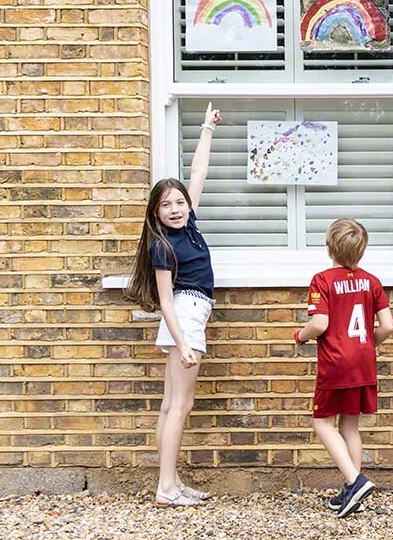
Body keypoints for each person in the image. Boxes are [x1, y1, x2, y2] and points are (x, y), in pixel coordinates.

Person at [125, 102, 221, 507]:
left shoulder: (190, 224)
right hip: (185, 315)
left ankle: (171, 481)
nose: (176, 209)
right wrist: (182, 343)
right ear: (156, 212)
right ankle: (166, 487)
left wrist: (206, 129)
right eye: (166, 205)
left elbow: (197, 173)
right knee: (180, 405)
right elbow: (165, 299)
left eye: (179, 202)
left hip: (190, 313)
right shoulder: (162, 245)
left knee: (172, 405)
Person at [293, 217, 393, 518]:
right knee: (350, 425)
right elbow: (388, 326)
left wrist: (300, 336)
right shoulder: (372, 281)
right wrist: (365, 348)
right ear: (361, 251)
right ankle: (352, 494)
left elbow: (320, 323)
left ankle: (355, 480)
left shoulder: (322, 281)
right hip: (364, 363)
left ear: (329, 249)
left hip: (336, 364)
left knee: (322, 423)